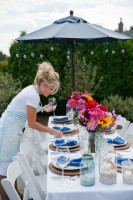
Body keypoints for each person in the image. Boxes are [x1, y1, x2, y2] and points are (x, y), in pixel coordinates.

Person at [0, 61, 63, 199]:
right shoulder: (33, 95)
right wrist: (52, 131)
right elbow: (32, 123)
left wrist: (43, 108)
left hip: (13, 128)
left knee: (10, 163)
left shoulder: (32, 90)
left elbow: (25, 108)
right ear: (44, 85)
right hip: (7, 130)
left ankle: (16, 194)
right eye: (51, 89)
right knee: (4, 167)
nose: (51, 92)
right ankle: (9, 196)